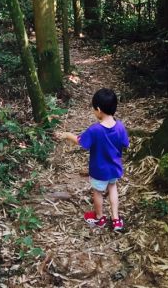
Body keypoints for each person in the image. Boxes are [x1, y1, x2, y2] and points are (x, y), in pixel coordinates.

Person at [55, 88, 129, 231]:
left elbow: (81, 141)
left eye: (94, 109)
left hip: (99, 170)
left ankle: (99, 218)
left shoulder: (95, 130)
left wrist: (67, 135)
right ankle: (116, 219)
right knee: (113, 188)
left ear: (99, 109)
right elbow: (126, 143)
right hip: (114, 168)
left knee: (97, 192)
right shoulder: (120, 127)